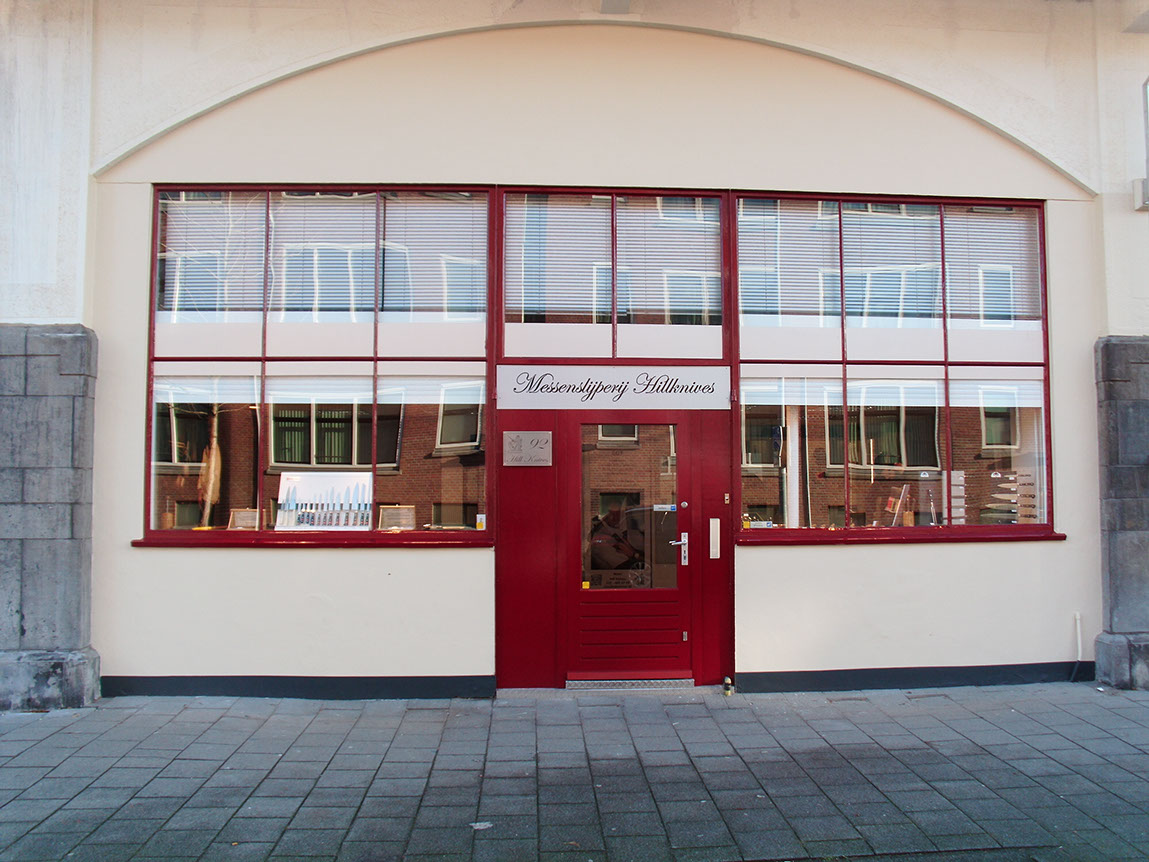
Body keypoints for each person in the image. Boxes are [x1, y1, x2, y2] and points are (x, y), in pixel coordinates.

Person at [589, 502, 644, 570]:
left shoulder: (632, 532)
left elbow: (651, 556)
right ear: (603, 516)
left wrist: (635, 553)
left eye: (618, 514)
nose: (615, 518)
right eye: (611, 514)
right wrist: (634, 555)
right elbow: (626, 568)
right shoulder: (600, 539)